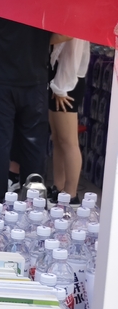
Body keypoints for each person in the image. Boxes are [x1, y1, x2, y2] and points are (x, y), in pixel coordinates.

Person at [0, 11, 70, 203]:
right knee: (33, 144)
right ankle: (34, 204)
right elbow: (68, 33)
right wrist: (38, 41)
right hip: (34, 79)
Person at [48, 38, 90, 205]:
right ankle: (59, 188)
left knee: (68, 141)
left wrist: (61, 87)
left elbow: (72, 57)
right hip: (57, 76)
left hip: (67, 82)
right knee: (57, 139)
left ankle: (71, 193)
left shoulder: (77, 21)